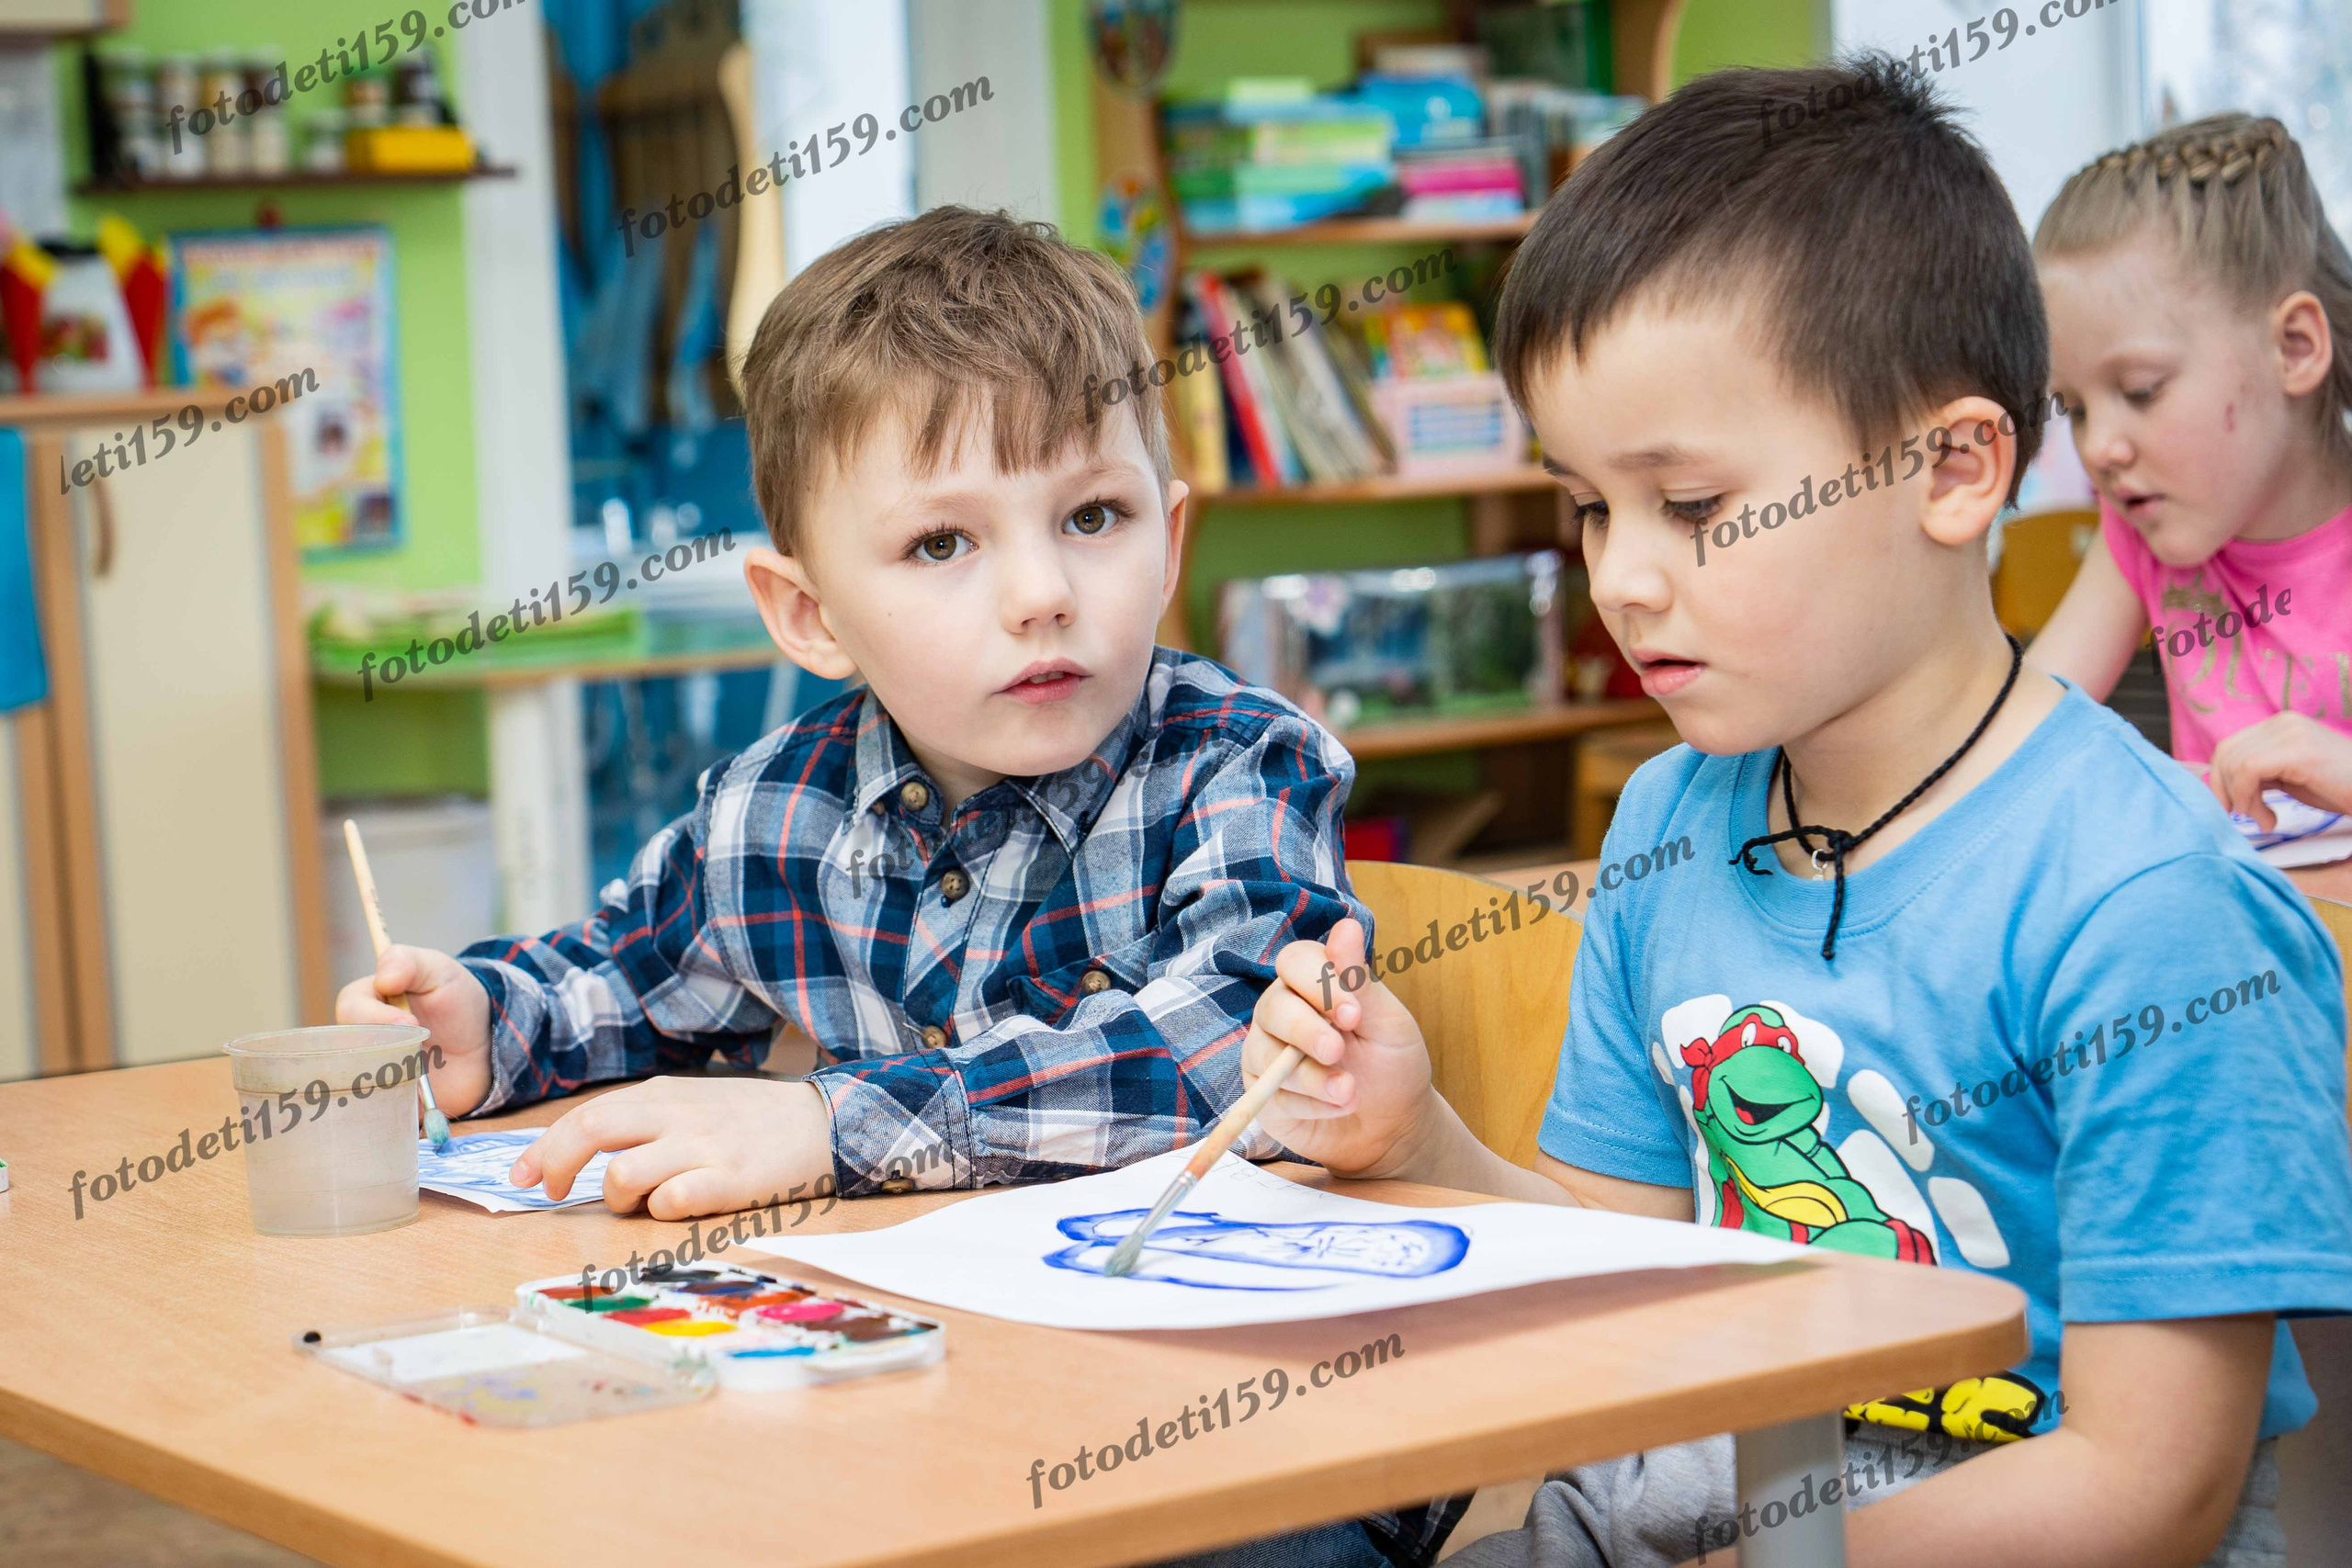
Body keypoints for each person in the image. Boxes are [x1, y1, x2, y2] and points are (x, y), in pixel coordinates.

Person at [1202, 58, 2352, 1568]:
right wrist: (1415, 1131)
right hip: (1681, 1508)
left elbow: (2152, 1488)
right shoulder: (1671, 819)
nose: (1620, 577)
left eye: (1691, 506)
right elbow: (1612, 1268)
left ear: (1950, 469)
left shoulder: (2152, 906)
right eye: (1591, 506)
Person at [334, 207, 1365, 1218]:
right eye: (941, 544)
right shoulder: (775, 809)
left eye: (1092, 517)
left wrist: (833, 1127)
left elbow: (1246, 1057)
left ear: (1171, 538)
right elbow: (622, 982)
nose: (1041, 594)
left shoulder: (1241, 764)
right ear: (808, 614)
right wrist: (487, 1027)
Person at [2030, 115, 2352, 832]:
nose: (2100, 448)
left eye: (2141, 390)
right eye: (2074, 407)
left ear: (2295, 348)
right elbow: (2024, 725)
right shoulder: (2140, 524)